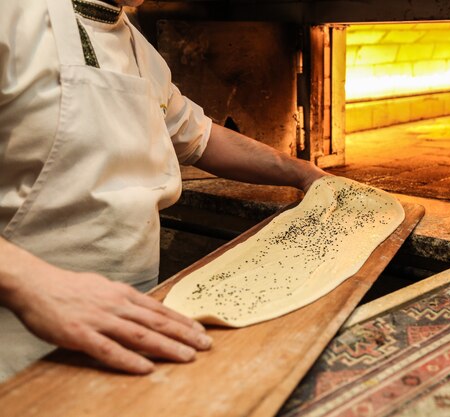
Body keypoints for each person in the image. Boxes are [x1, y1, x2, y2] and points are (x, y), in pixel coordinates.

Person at [0, 0, 326, 380]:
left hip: (134, 315)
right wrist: (32, 283)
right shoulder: (13, 15)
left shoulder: (137, 48)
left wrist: (304, 173)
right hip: (18, 332)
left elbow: (199, 137)